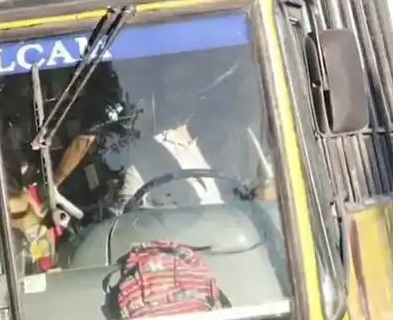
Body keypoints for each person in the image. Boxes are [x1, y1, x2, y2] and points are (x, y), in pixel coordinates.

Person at [108, 50, 272, 209]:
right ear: (160, 94)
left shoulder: (235, 138)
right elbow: (126, 217)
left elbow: (268, 188)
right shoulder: (145, 158)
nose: (182, 93)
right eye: (174, 86)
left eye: (188, 84)